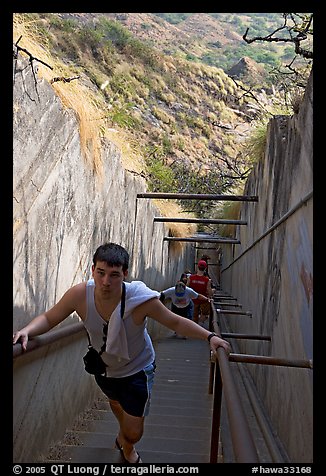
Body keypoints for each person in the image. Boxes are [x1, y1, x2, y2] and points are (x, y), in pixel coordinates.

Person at [13, 243, 231, 464]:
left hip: (138, 369)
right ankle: (124, 436)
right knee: (115, 401)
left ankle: (126, 442)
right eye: (101, 273)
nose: (106, 282)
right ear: (92, 271)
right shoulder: (79, 294)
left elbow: (175, 321)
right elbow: (50, 318)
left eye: (114, 275)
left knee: (134, 433)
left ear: (125, 274)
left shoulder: (140, 299)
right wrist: (27, 331)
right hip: (105, 369)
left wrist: (210, 337)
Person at [187, 260, 213, 324]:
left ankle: (195, 325)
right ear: (205, 268)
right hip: (203, 301)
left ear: (197, 267)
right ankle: (200, 323)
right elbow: (209, 292)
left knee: (194, 316)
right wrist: (212, 293)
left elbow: (187, 288)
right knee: (206, 313)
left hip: (193, 300)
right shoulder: (207, 280)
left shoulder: (190, 278)